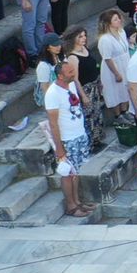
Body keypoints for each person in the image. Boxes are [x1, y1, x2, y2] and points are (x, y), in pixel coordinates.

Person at [45, 55, 94, 218]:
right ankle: (71, 205)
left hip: (79, 134)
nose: (73, 73)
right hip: (67, 139)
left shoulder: (71, 84)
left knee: (76, 171)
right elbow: (53, 124)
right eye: (70, 71)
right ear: (60, 75)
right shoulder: (52, 93)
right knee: (67, 173)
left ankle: (78, 201)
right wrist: (59, 148)